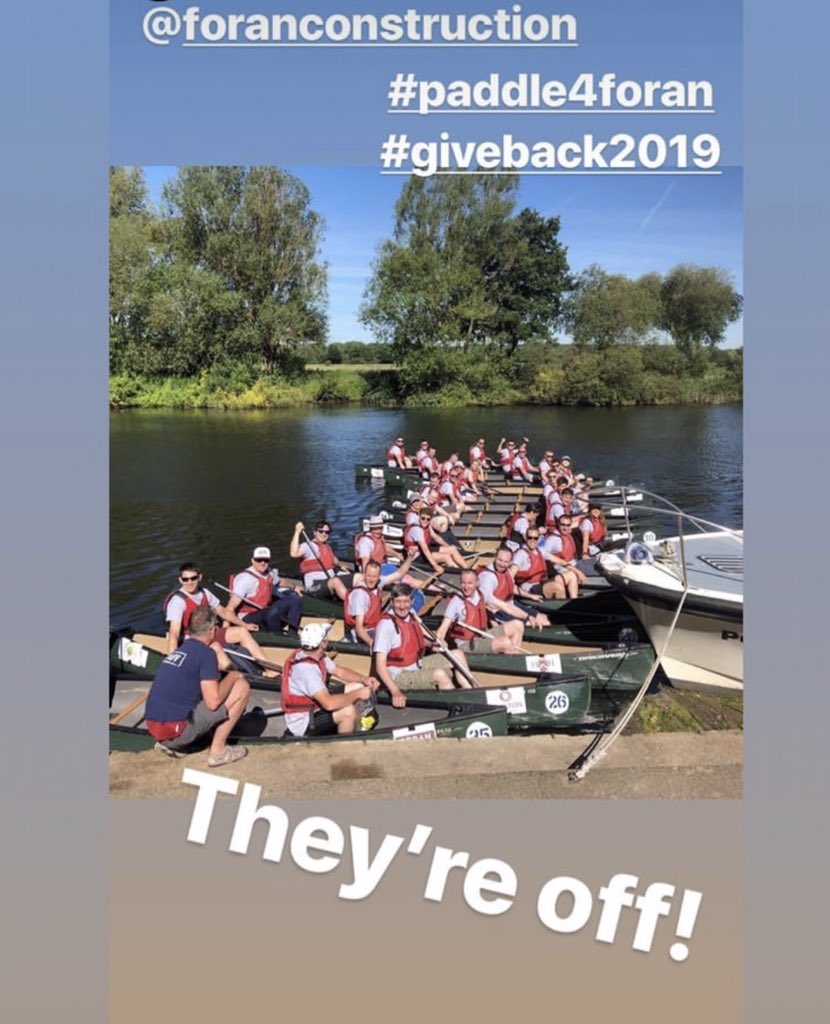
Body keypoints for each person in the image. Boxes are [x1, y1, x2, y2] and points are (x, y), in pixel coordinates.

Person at [145, 607, 251, 766]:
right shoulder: (205, 654)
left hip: (156, 731)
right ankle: (218, 751)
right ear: (213, 630)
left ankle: (198, 737)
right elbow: (213, 702)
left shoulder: (180, 651)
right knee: (242, 687)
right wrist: (234, 674)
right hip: (177, 734)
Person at [164, 561, 281, 676]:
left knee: (241, 632)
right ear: (180, 580)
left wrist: (244, 624)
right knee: (216, 648)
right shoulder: (177, 602)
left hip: (211, 632)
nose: (189, 582)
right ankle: (235, 676)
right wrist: (172, 663)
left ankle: (269, 669)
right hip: (193, 639)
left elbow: (224, 612)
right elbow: (174, 633)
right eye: (185, 579)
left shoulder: (205, 593)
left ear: (199, 577)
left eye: (193, 578)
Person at [372, 584, 472, 707]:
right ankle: (459, 707)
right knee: (440, 674)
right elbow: (380, 665)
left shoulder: (411, 614)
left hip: (416, 664)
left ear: (412, 601)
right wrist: (395, 691)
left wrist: (434, 643)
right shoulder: (386, 626)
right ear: (392, 601)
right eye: (398, 602)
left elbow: (415, 638)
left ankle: (471, 692)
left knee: (457, 654)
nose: (402, 606)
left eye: (406, 601)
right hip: (398, 675)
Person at [282, 623, 379, 737]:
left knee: (358, 686)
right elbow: (329, 704)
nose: (328, 639)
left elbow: (339, 671)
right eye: (326, 637)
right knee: (348, 711)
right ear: (323, 643)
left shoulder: (317, 655)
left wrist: (364, 679)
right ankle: (343, 745)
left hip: (315, 705)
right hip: (303, 722)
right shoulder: (307, 671)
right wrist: (359, 694)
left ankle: (356, 725)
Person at [434, 569, 523, 653]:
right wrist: (439, 641)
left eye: (470, 583)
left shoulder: (481, 594)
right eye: (463, 583)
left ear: (477, 583)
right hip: (467, 644)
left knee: (518, 625)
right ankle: (511, 658)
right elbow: (443, 628)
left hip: (482, 635)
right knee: (505, 642)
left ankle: (513, 656)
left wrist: (527, 616)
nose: (466, 587)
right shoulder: (456, 602)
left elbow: (506, 606)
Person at [224, 546, 303, 637]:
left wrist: (294, 587)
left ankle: (292, 634)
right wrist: (226, 629)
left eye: (266, 560)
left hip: (265, 610)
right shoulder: (245, 580)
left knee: (295, 599)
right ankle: (278, 637)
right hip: (247, 616)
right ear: (253, 560)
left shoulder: (268, 572)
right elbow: (230, 607)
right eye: (259, 560)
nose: (263, 563)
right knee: (273, 612)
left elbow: (280, 582)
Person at [344, 558, 418, 646]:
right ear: (364, 575)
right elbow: (359, 627)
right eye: (369, 576)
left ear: (379, 576)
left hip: (374, 627)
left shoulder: (378, 583)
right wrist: (372, 643)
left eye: (375, 576)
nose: (371, 580)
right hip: (362, 634)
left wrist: (410, 557)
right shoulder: (360, 594)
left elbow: (400, 573)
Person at [477, 545, 550, 631]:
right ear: (495, 557)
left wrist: (530, 595)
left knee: (543, 619)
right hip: (497, 611)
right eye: (499, 560)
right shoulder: (488, 577)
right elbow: (487, 603)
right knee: (533, 624)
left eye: (506, 562)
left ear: (510, 562)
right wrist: (526, 616)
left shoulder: (506, 570)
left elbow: (511, 586)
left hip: (511, 604)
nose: (502, 564)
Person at [289, 521, 354, 601]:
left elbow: (334, 560)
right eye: (321, 531)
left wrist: (341, 566)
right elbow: (294, 553)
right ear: (315, 532)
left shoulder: (326, 546)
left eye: (327, 532)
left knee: (358, 577)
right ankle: (353, 605)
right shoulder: (309, 546)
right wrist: (297, 532)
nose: (324, 534)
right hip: (314, 586)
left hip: (330, 580)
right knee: (336, 581)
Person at [510, 530, 567, 600]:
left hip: (541, 582)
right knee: (557, 587)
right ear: (526, 538)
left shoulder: (540, 551)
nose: (532, 540)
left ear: (539, 538)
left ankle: (573, 603)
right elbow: (510, 576)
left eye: (535, 538)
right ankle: (559, 608)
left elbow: (559, 561)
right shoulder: (521, 554)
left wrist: (576, 571)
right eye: (530, 538)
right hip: (528, 586)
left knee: (570, 576)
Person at [539, 517, 587, 598]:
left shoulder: (568, 534)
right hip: (563, 570)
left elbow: (577, 522)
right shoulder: (553, 539)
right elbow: (541, 553)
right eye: (563, 525)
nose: (565, 527)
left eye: (568, 525)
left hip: (574, 564)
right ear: (558, 524)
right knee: (573, 575)